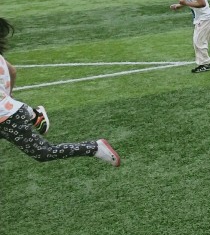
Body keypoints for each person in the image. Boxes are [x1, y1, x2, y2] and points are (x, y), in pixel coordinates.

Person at [0, 18, 120, 167]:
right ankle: (33, 115)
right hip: (10, 110)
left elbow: (12, 71)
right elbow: (12, 71)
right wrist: (9, 97)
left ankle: (94, 148)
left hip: (8, 118)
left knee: (43, 152)